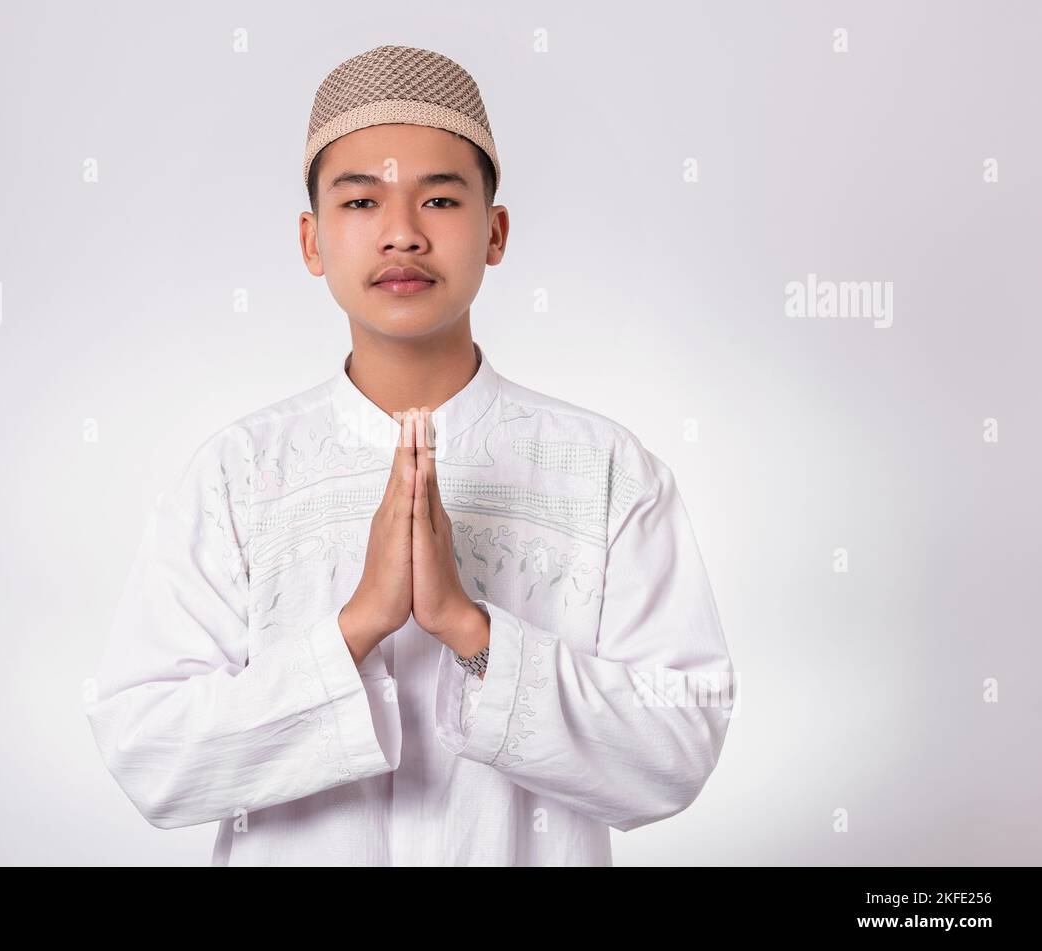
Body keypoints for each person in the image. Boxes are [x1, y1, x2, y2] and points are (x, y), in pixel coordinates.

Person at [85, 44, 736, 866]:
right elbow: (150, 757)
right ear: (312, 239)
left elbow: (676, 745)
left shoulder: (604, 470)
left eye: (438, 198)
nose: (401, 234)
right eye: (360, 201)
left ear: (494, 232)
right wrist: (358, 625)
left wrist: (470, 630)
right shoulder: (238, 476)